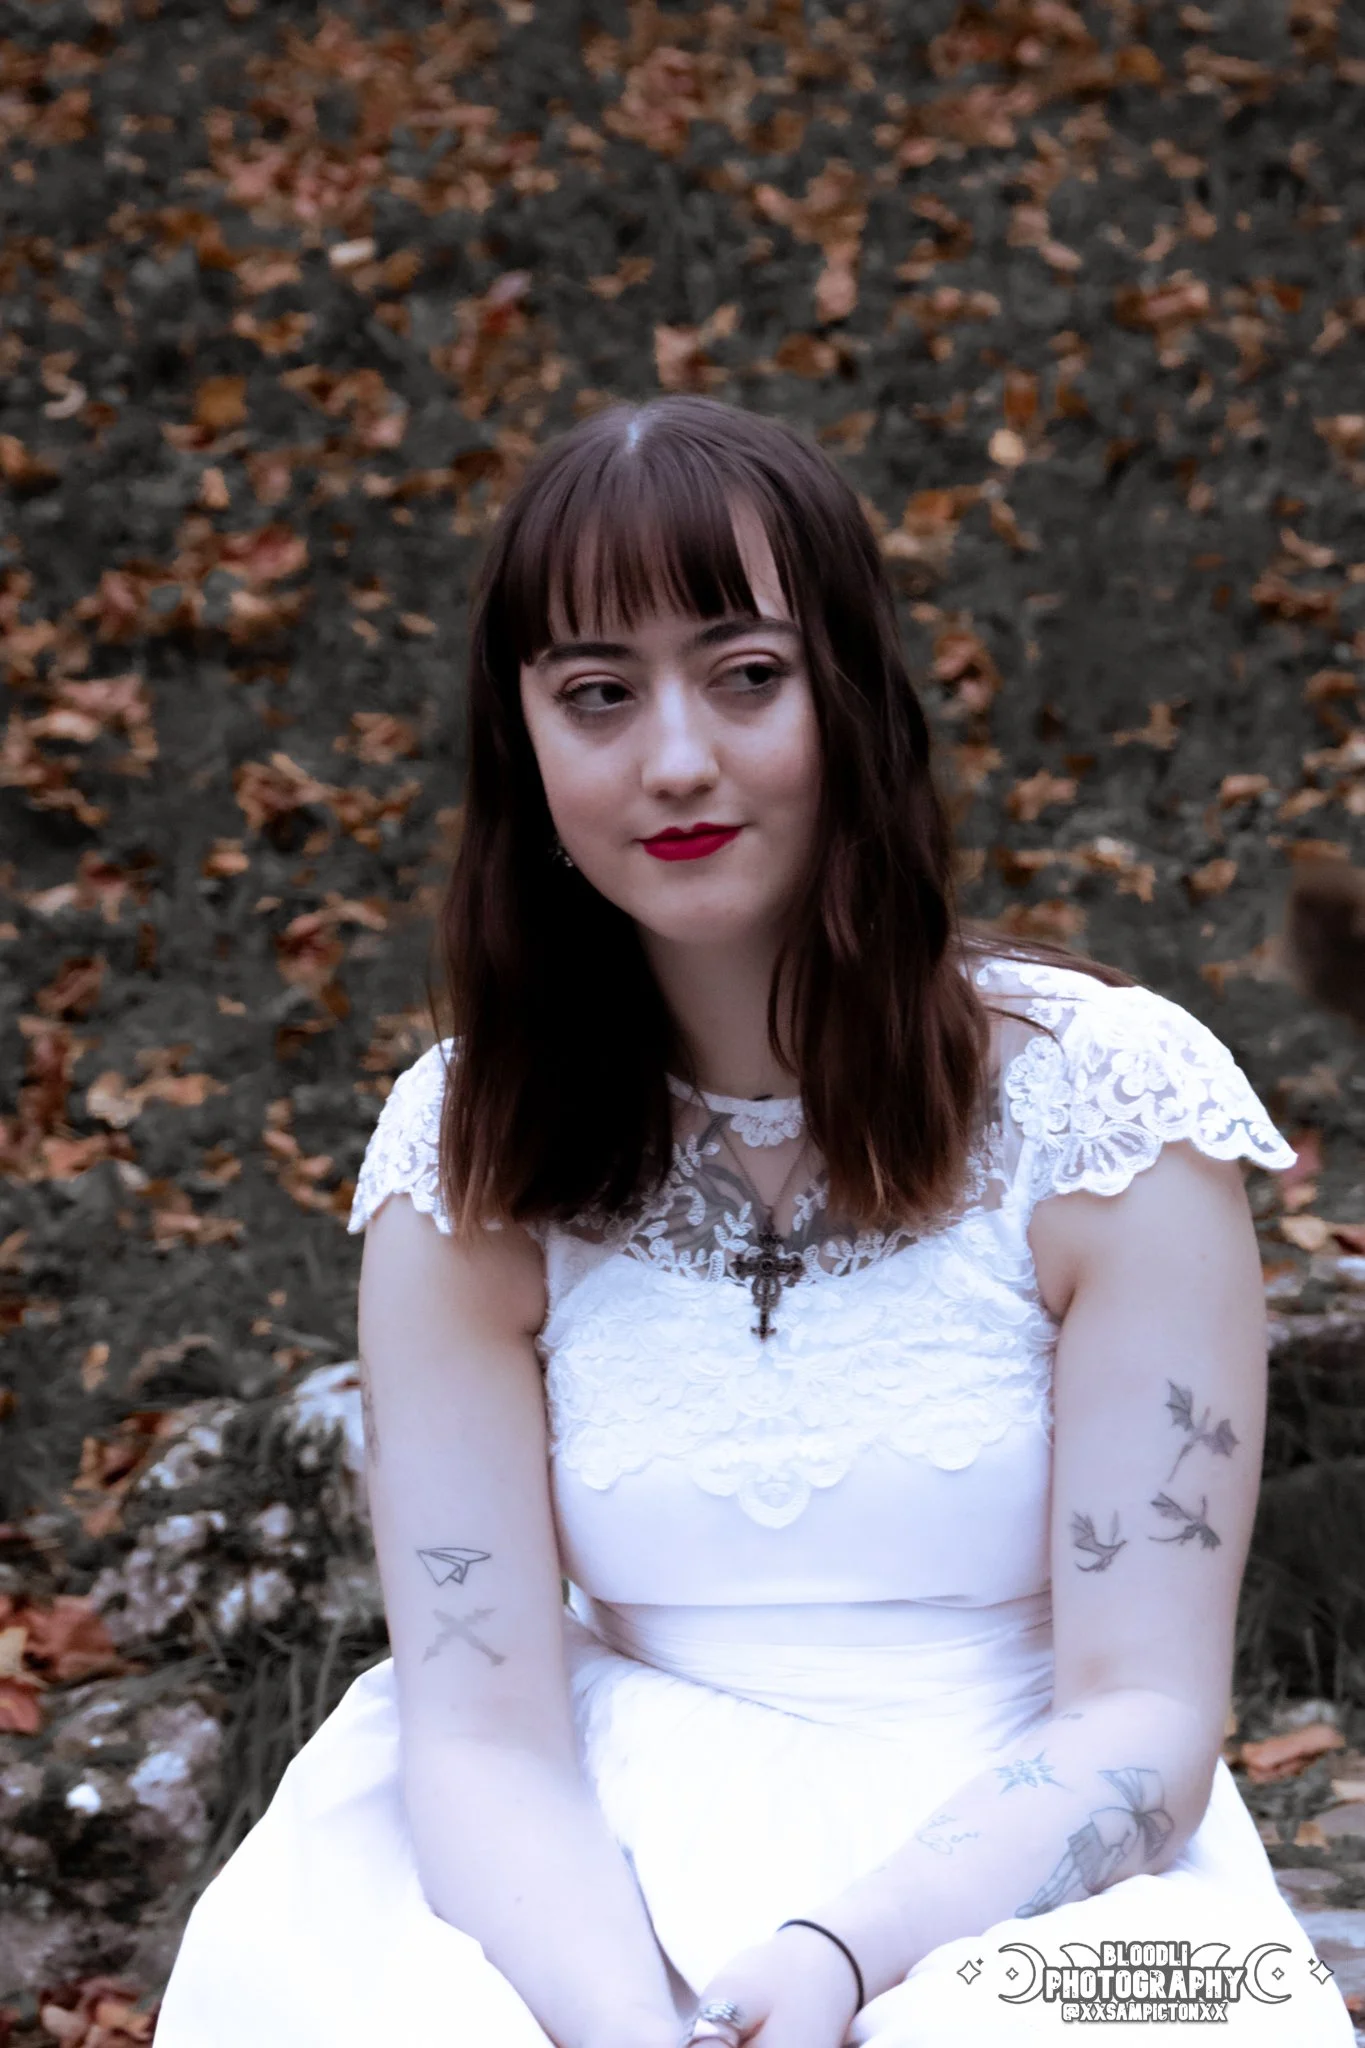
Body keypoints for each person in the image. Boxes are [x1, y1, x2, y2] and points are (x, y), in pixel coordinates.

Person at [155, 397, 1355, 2047]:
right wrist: (631, 2028)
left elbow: (1144, 1716)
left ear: (847, 697)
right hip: (576, 1860)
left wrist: (840, 1957)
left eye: (744, 676)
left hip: (1034, 1875)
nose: (674, 759)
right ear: (524, 744)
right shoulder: (465, 1154)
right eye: (597, 694)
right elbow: (484, 1734)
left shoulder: (1107, 1112)